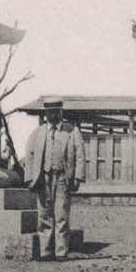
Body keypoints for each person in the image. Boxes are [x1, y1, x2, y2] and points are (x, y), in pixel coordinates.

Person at [20, 99, 84, 261]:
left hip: (63, 177)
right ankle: (46, 252)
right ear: (46, 114)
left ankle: (61, 252)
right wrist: (29, 178)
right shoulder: (37, 133)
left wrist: (78, 177)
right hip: (42, 178)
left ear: (61, 112)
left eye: (57, 112)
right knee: (44, 215)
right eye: (50, 112)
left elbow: (80, 155)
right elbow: (30, 156)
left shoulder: (72, 132)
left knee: (61, 214)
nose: (53, 115)